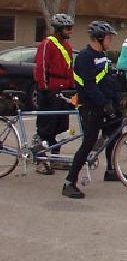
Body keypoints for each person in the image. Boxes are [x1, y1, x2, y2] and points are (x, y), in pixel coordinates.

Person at [62, 21, 125, 199]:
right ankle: (69, 182)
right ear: (99, 38)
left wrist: (116, 100)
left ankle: (111, 170)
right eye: (108, 38)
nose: (110, 41)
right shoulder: (84, 57)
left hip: (104, 104)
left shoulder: (103, 56)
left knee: (114, 133)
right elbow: (89, 86)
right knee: (88, 143)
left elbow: (108, 81)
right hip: (90, 106)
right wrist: (104, 103)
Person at [33, 13, 75, 175]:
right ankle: (41, 160)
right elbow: (42, 66)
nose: (70, 31)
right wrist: (44, 88)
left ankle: (55, 157)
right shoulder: (48, 44)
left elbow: (70, 69)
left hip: (64, 90)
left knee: (61, 126)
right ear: (58, 29)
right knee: (46, 126)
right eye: (68, 28)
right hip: (51, 89)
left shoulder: (67, 46)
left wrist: (72, 89)